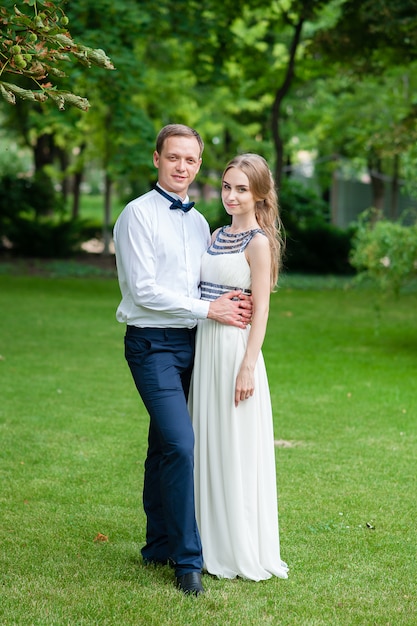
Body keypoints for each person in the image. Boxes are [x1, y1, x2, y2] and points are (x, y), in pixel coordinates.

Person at [113, 124, 252, 596]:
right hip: (151, 345)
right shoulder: (136, 215)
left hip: (197, 346)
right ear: (157, 159)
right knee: (180, 444)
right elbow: (144, 291)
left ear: (198, 164)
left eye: (190, 160)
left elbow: (204, 281)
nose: (182, 167)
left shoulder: (198, 222)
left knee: (163, 447)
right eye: (173, 157)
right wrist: (208, 308)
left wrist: (231, 299)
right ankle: (188, 561)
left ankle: (157, 545)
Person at [189, 153, 289, 581]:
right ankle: (204, 541)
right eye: (227, 187)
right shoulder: (213, 234)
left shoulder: (260, 243)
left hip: (235, 353)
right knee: (206, 440)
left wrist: (248, 366)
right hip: (205, 348)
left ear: (260, 194)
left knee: (234, 445)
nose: (231, 196)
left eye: (242, 189)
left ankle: (236, 545)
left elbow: (262, 311)